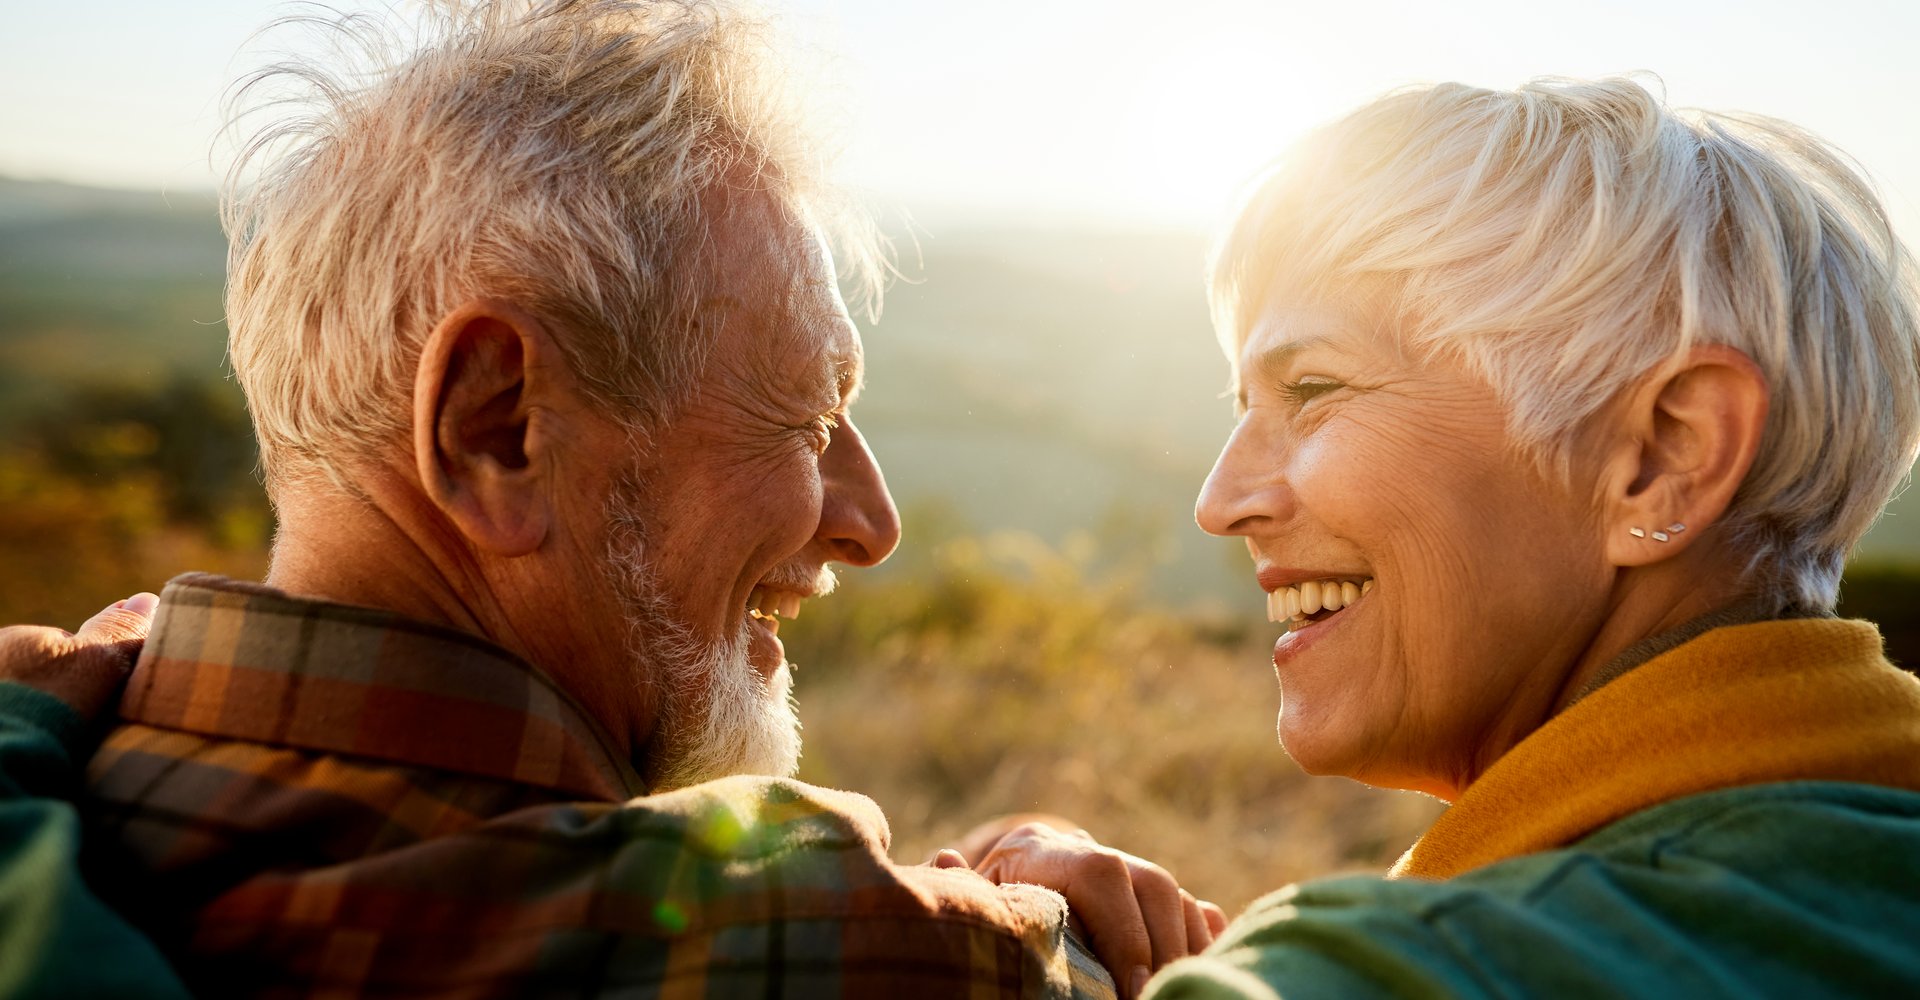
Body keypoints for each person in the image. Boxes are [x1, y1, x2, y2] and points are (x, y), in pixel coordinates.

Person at [0, 1, 1223, 996]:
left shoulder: (60, 791)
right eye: (802, 416)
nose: (873, 520)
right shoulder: (811, 948)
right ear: (495, 430)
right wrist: (1039, 893)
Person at [1147, 78, 1920, 996]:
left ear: (1664, 458)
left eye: (1314, 390)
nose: (1219, 499)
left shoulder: (1413, 972)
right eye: (1244, 408)